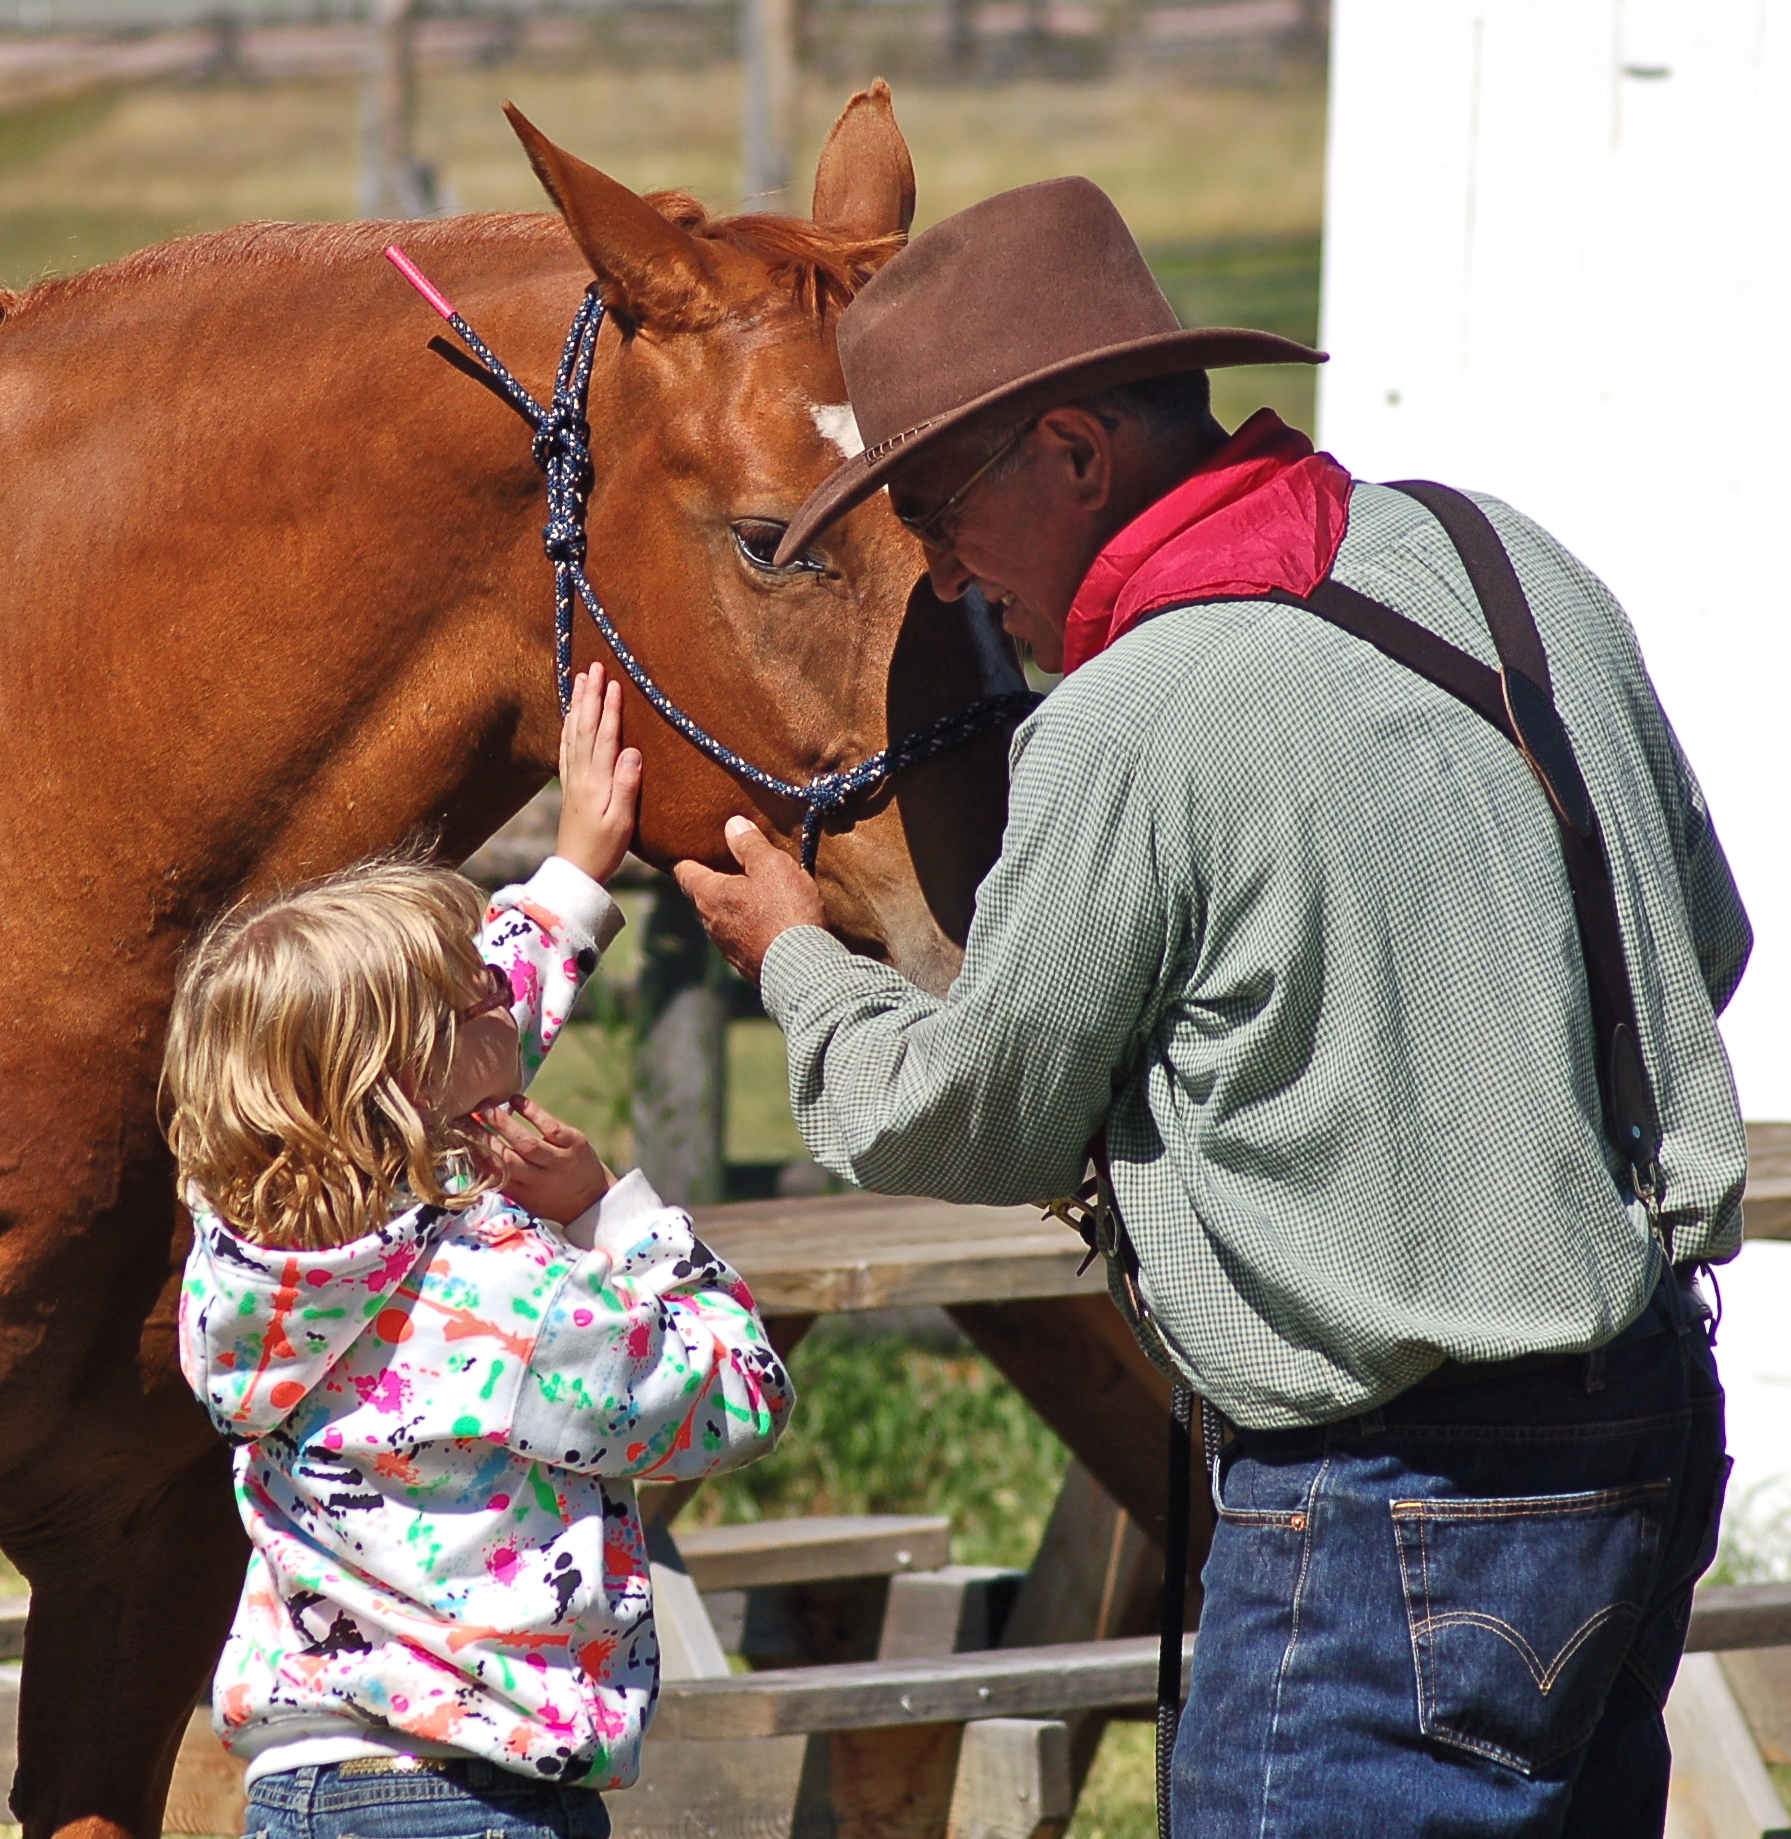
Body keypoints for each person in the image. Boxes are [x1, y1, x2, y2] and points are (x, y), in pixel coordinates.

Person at [674, 177, 1749, 1836]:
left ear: (1078, 455)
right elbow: (1703, 937)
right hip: (1645, 1427)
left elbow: (979, 1107)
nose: (949, 572)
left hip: (1393, 1500)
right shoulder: (1499, 554)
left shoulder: (1132, 719)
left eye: (947, 505)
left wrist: (796, 958)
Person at [164, 666, 793, 1831]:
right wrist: (613, 1211)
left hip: (301, 1789)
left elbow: (433, 1041)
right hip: (472, 1798)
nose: (508, 1003)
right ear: (409, 1088)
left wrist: (574, 870)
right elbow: (740, 1397)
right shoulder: (516, 1299)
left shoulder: (244, 1259)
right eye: (477, 1003)